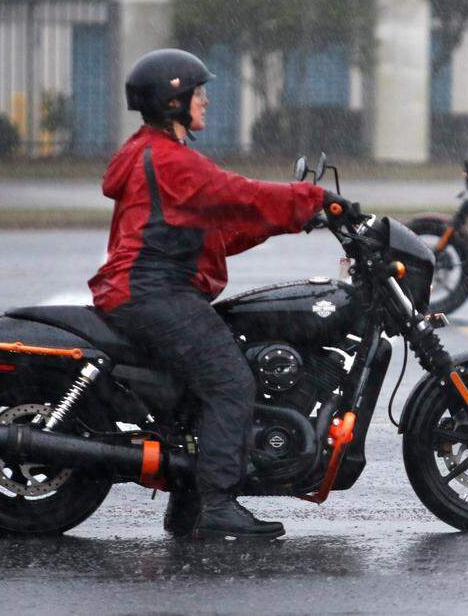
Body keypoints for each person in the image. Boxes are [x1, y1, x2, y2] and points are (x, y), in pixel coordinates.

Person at [88, 48, 344, 539]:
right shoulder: (167, 159)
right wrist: (314, 200)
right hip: (151, 292)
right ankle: (218, 506)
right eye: (198, 94)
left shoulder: (155, 155)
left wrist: (289, 221)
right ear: (172, 102)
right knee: (230, 382)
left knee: (199, 389)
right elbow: (237, 192)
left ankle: (187, 503)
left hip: (149, 289)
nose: (205, 102)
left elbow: (216, 233)